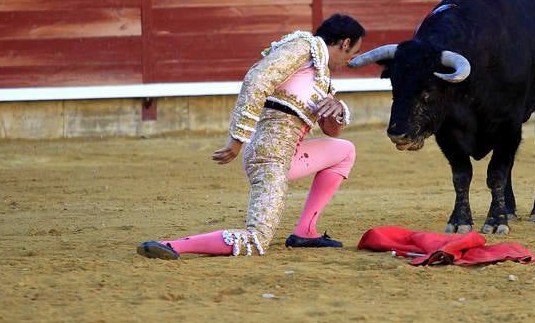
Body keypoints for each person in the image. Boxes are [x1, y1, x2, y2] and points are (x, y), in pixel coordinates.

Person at [137, 15, 366, 259]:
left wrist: (337, 109)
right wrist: (237, 140)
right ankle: (171, 245)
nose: (353, 59)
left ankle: (305, 232)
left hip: (290, 153)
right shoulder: (302, 48)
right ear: (345, 43)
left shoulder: (322, 76)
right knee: (256, 239)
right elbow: (257, 81)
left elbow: (331, 131)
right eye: (355, 51)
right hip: (268, 156)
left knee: (345, 150)